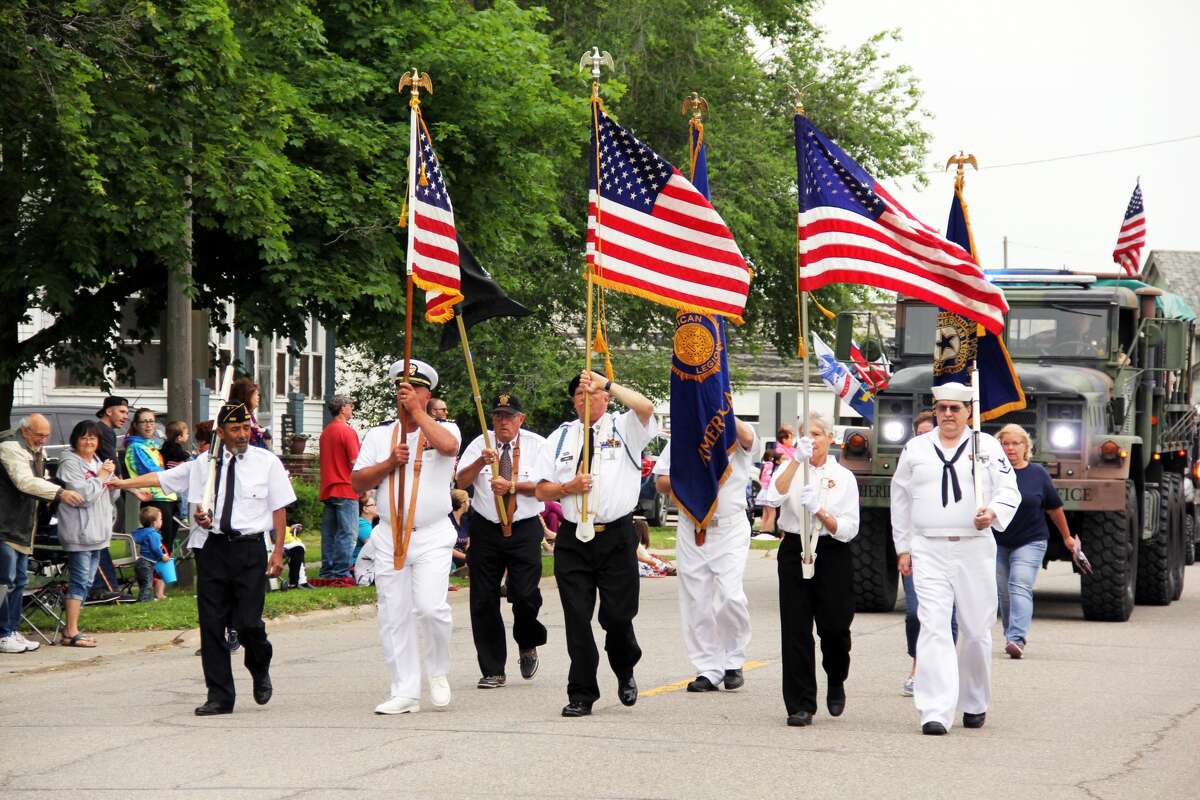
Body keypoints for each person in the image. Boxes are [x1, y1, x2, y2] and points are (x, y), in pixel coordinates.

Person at [110, 402, 294, 715]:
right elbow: (160, 478)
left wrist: (277, 550)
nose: (242, 435)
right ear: (220, 433)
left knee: (249, 623)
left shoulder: (266, 462)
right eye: (234, 429)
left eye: (246, 428)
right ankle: (220, 695)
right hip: (212, 549)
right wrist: (121, 483)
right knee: (212, 624)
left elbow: (279, 507)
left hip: (249, 549)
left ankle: (258, 664)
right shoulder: (202, 466)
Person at [891, 382, 1020, 735]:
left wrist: (991, 512)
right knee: (932, 626)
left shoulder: (986, 446)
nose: (948, 414)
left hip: (974, 548)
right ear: (935, 410)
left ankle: (975, 701)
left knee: (977, 630)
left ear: (968, 412)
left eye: (955, 409)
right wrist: (903, 546)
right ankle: (934, 709)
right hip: (928, 547)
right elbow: (900, 498)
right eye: (942, 408)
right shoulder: (916, 448)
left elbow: (1010, 491)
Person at [534, 370, 658, 718]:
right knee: (576, 618)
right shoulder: (560, 437)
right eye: (578, 395)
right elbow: (540, 488)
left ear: (605, 398)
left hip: (615, 535)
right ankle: (582, 692)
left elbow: (646, 406)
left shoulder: (624, 428)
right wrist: (565, 489)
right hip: (574, 538)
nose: (584, 400)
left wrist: (607, 382)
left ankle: (624, 667)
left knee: (617, 618)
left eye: (592, 394)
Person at [351, 359, 461, 716]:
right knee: (393, 614)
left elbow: (448, 448)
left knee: (431, 608)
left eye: (415, 388)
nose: (406, 394)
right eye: (402, 388)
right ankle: (405, 691)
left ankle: (438, 672)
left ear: (428, 394)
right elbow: (357, 482)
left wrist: (418, 414)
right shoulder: (380, 435)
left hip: (431, 534)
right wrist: (387, 464)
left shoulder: (445, 428)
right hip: (390, 534)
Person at [652, 413, 760, 693]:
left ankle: (734, 659)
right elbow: (661, 481)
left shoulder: (737, 432)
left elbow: (749, 439)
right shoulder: (685, 434)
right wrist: (689, 485)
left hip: (729, 526)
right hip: (692, 526)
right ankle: (709, 668)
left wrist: (720, 406)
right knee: (696, 599)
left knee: (729, 595)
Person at [770, 413, 858, 727]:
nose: (812, 439)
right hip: (795, 548)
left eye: (818, 434)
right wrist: (796, 461)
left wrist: (820, 511)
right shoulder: (792, 467)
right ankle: (800, 703)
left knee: (834, 628)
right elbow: (771, 496)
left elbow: (848, 529)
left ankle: (836, 677)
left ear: (830, 439)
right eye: (805, 434)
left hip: (830, 550)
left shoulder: (844, 476)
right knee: (795, 628)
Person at [456, 392, 549, 689]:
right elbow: (461, 481)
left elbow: (546, 486)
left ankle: (527, 641)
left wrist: (512, 485)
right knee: (482, 598)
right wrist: (479, 463)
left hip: (524, 527)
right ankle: (493, 668)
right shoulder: (480, 443)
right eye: (497, 416)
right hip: (487, 527)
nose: (502, 421)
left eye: (508, 416)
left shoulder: (537, 445)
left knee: (524, 594)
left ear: (520, 419)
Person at [994, 423, 1084, 659]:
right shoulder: (992, 473)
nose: (1010, 448)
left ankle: (1016, 638)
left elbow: (1054, 508)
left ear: (1026, 447)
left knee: (1019, 584)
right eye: (1005, 443)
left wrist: (1066, 537)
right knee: (1003, 592)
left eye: (1016, 443)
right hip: (997, 540)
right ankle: (1010, 633)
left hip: (1030, 540)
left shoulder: (1037, 474)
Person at [1, 414, 85, 654]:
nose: (44, 439)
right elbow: (24, 482)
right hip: (5, 527)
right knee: (5, 582)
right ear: (25, 431)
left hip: (21, 529)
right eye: (39, 435)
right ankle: (4, 633)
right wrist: (59, 493)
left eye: (46, 435)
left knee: (19, 582)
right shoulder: (10, 448)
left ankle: (11, 630)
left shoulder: (37, 451)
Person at [55, 420, 117, 645]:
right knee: (80, 581)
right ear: (75, 440)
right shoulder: (70, 463)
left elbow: (110, 494)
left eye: (93, 437)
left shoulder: (99, 462)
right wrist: (102, 477)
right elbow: (82, 496)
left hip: (98, 532)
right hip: (79, 532)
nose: (89, 441)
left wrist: (112, 481)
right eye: (84, 437)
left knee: (88, 581)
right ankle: (71, 632)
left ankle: (71, 627)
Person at [901, 410, 938, 696]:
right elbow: (899, 508)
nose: (923, 439)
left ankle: (936, 673)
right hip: (916, 548)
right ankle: (917, 664)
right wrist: (902, 549)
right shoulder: (909, 462)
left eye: (929, 433)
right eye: (919, 434)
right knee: (915, 613)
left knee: (944, 616)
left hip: (949, 549)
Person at [124, 407, 180, 556]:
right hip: (155, 500)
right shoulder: (136, 447)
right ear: (135, 425)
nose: (149, 425)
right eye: (144, 422)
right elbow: (151, 472)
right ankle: (156, 579)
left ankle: (162, 578)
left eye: (151, 421)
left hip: (167, 497)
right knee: (160, 549)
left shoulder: (153, 445)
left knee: (168, 546)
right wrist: (177, 472)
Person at [318, 395, 360, 585]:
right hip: (346, 487)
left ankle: (327, 570)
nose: (352, 409)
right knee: (347, 533)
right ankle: (340, 571)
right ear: (343, 408)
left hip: (328, 487)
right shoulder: (347, 432)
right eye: (350, 406)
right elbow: (355, 462)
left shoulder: (326, 432)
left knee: (329, 533)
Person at [131, 506, 169, 602]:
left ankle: (146, 598)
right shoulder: (154, 534)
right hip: (146, 563)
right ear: (154, 523)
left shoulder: (141, 532)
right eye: (160, 519)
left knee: (143, 584)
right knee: (147, 583)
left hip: (140, 562)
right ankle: (144, 601)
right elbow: (155, 548)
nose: (162, 521)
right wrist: (162, 556)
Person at [228, 377, 268, 448]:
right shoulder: (238, 416)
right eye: (256, 394)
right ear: (247, 396)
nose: (258, 397)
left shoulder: (250, 416)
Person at [95, 396, 130, 465]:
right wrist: (119, 475)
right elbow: (111, 461)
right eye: (122, 412)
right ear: (109, 411)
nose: (126, 417)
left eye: (127, 413)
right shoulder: (104, 431)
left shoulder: (102, 429)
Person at [448, 489, 470, 572]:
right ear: (462, 503)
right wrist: (466, 557)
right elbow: (447, 547)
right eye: (467, 500)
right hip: (450, 561)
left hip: (464, 560)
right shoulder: (448, 520)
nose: (469, 503)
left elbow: (468, 542)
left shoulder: (464, 520)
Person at [354, 492, 377, 563]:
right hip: (358, 564)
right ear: (365, 509)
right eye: (374, 505)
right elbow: (373, 546)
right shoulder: (362, 524)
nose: (377, 507)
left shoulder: (364, 523)